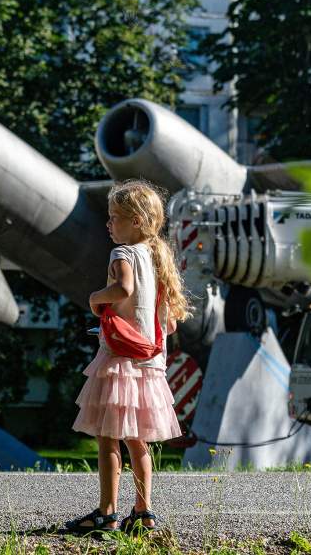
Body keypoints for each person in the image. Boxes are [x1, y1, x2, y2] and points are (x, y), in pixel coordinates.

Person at [64, 179, 189, 535]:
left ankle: (106, 512)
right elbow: (169, 323)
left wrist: (95, 298)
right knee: (138, 440)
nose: (108, 223)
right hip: (150, 364)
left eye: (114, 217)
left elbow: (123, 288)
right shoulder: (158, 258)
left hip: (119, 361)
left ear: (136, 221)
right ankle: (144, 512)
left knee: (108, 437)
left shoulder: (123, 254)